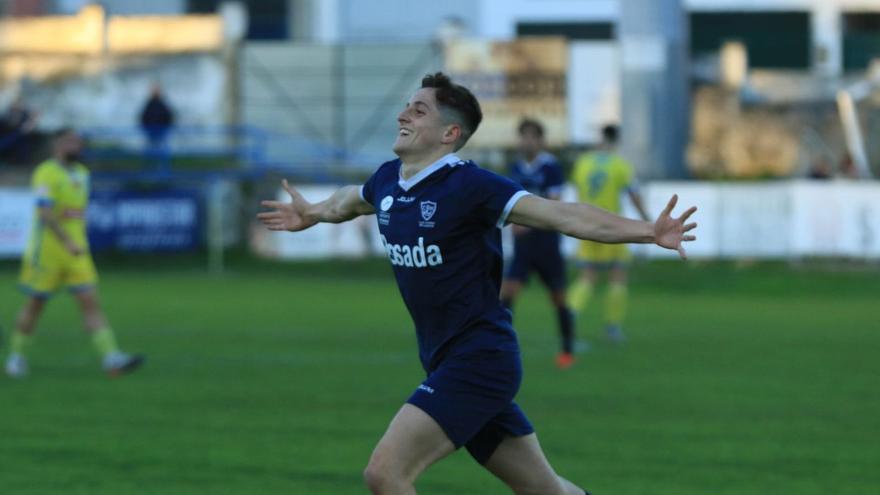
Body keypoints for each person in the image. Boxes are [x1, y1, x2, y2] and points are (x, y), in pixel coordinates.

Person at [258, 73, 696, 495]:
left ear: (449, 133)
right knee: (542, 489)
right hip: (445, 360)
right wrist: (311, 213)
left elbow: (563, 215)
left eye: (418, 109)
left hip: (480, 360)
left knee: (385, 473)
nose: (403, 115)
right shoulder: (389, 179)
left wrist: (647, 231)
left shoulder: (471, 185)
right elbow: (349, 201)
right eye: (406, 106)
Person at [5, 129, 144, 378]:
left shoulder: (82, 174)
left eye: (78, 142)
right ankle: (16, 357)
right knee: (35, 305)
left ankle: (112, 358)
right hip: (47, 253)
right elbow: (45, 214)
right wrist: (67, 241)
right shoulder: (45, 173)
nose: (76, 146)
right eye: (70, 141)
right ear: (56, 144)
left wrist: (76, 241)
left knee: (91, 304)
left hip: (77, 254)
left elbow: (76, 213)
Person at [499, 118, 577, 369]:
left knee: (559, 299)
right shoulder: (516, 168)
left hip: (546, 244)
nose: (527, 141)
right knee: (507, 293)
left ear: (541, 140)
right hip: (523, 246)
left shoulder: (550, 167)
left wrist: (527, 222)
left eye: (532, 136)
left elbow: (554, 205)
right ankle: (501, 349)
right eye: (524, 136)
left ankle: (567, 350)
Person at [568, 124, 652, 344]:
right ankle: (613, 327)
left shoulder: (583, 163)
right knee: (618, 275)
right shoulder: (620, 165)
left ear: (600, 138)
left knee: (587, 277)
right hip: (612, 226)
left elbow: (578, 191)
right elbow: (634, 194)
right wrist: (646, 219)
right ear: (616, 141)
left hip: (585, 224)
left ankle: (568, 319)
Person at [139, 82, 175, 161]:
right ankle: (150, 163)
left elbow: (169, 116)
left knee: (161, 149)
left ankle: (158, 163)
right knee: (151, 148)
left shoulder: (161, 103)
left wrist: (165, 126)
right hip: (152, 130)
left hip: (160, 130)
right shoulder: (150, 104)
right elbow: (143, 117)